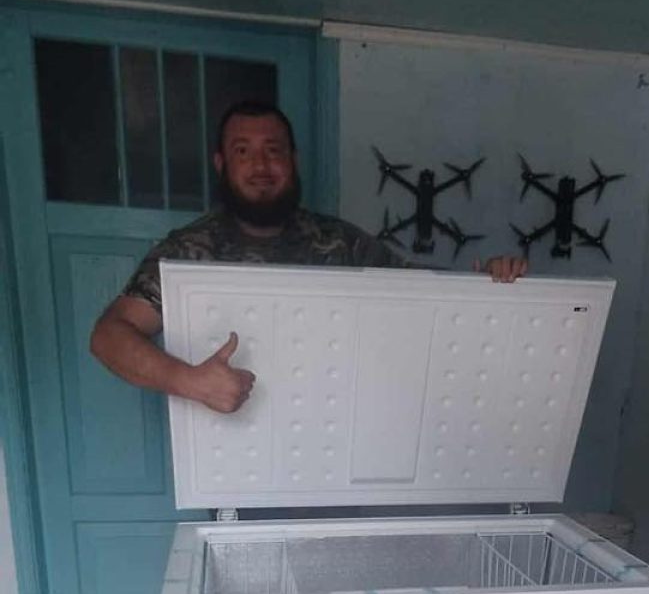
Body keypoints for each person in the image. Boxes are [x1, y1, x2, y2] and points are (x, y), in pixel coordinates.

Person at [91, 100, 527, 413]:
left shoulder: (340, 242)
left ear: (293, 161)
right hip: (233, 472)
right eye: (243, 151)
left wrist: (488, 280)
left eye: (273, 150)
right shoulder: (189, 250)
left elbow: (426, 294)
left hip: (333, 463)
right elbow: (109, 336)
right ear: (221, 164)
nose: (261, 165)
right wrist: (190, 382)